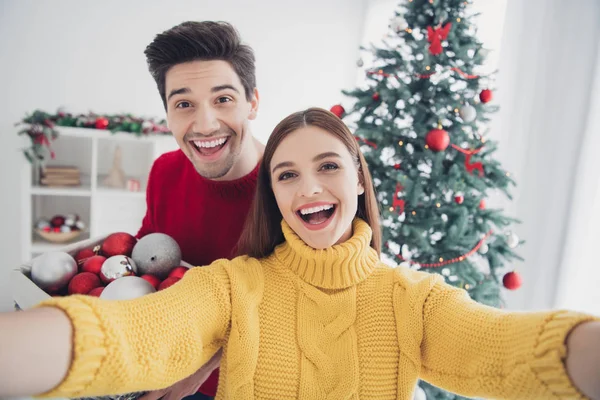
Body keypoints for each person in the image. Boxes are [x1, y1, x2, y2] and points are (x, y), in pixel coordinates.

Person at [1, 108, 599, 400]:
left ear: (360, 181)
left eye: (329, 167)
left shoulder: (413, 302)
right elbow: (135, 335)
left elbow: (513, 349)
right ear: (276, 196)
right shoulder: (234, 287)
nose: (309, 188)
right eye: (287, 175)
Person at [136, 20, 264, 400]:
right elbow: (146, 259)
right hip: (161, 369)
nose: (205, 124)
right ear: (167, 113)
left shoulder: (289, 186)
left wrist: (200, 368)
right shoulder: (165, 172)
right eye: (184, 104)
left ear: (252, 103)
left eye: (222, 99)